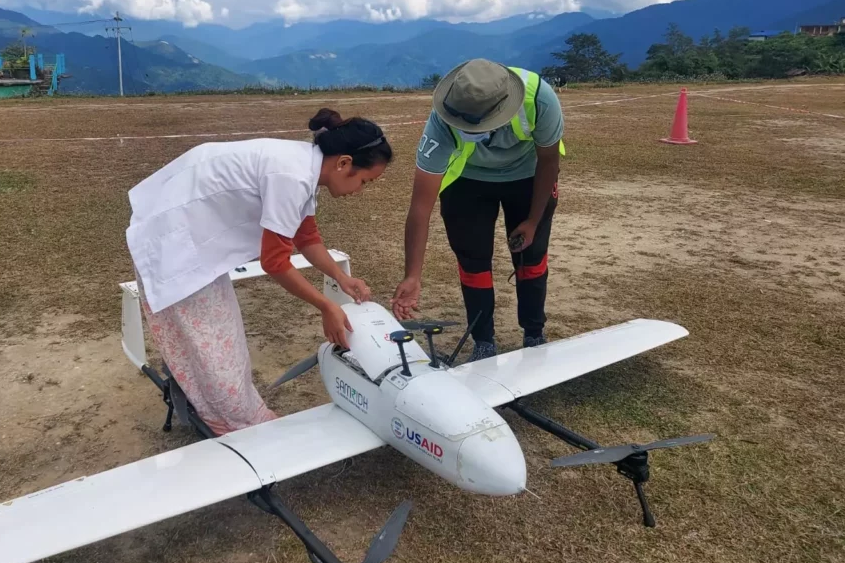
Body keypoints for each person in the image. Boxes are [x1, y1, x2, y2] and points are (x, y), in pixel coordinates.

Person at [126, 108, 393, 435]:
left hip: (188, 231)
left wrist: (341, 278)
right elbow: (275, 262)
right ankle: (239, 424)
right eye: (365, 181)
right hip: (175, 237)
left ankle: (221, 412)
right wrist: (326, 306)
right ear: (344, 163)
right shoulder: (292, 177)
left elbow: (305, 236)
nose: (359, 191)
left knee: (211, 339)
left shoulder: (304, 169)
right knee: (215, 344)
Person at [391, 58, 564, 361]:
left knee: (531, 258)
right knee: (473, 262)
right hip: (468, 181)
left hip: (528, 177)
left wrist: (533, 221)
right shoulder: (442, 118)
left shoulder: (540, 98)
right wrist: (413, 275)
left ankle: (534, 334)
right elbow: (420, 206)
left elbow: (549, 161)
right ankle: (484, 341)